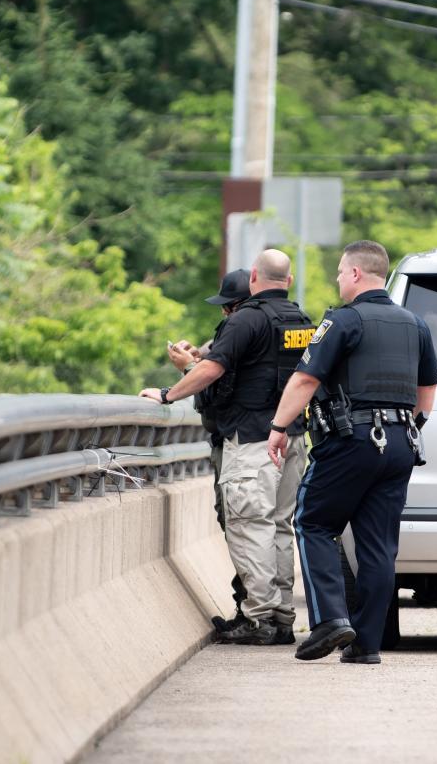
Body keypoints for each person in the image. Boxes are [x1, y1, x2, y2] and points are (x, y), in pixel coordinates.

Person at [267, 240, 437, 664]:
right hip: (400, 444)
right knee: (378, 546)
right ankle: (367, 645)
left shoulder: (343, 321)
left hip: (352, 441)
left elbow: (305, 379)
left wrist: (277, 427)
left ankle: (329, 620)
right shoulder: (415, 323)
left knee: (313, 522)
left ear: (357, 274)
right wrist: (412, 425)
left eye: (342, 272)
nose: (339, 278)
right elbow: (428, 387)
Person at [142, 249, 314, 646]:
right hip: (290, 437)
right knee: (279, 528)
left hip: (253, 441)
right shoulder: (300, 320)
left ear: (255, 277)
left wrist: (169, 394)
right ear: (286, 280)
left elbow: (215, 369)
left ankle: (260, 619)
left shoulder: (247, 318)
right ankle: (283, 616)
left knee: (249, 525)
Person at [163, 268, 250, 630]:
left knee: (242, 525)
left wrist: (187, 371)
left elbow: (218, 380)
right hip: (267, 437)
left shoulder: (243, 324)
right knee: (260, 526)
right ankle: (260, 612)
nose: (224, 315)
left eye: (226, 308)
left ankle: (254, 614)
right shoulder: (266, 324)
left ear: (236, 307)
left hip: (240, 440)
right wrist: (200, 357)